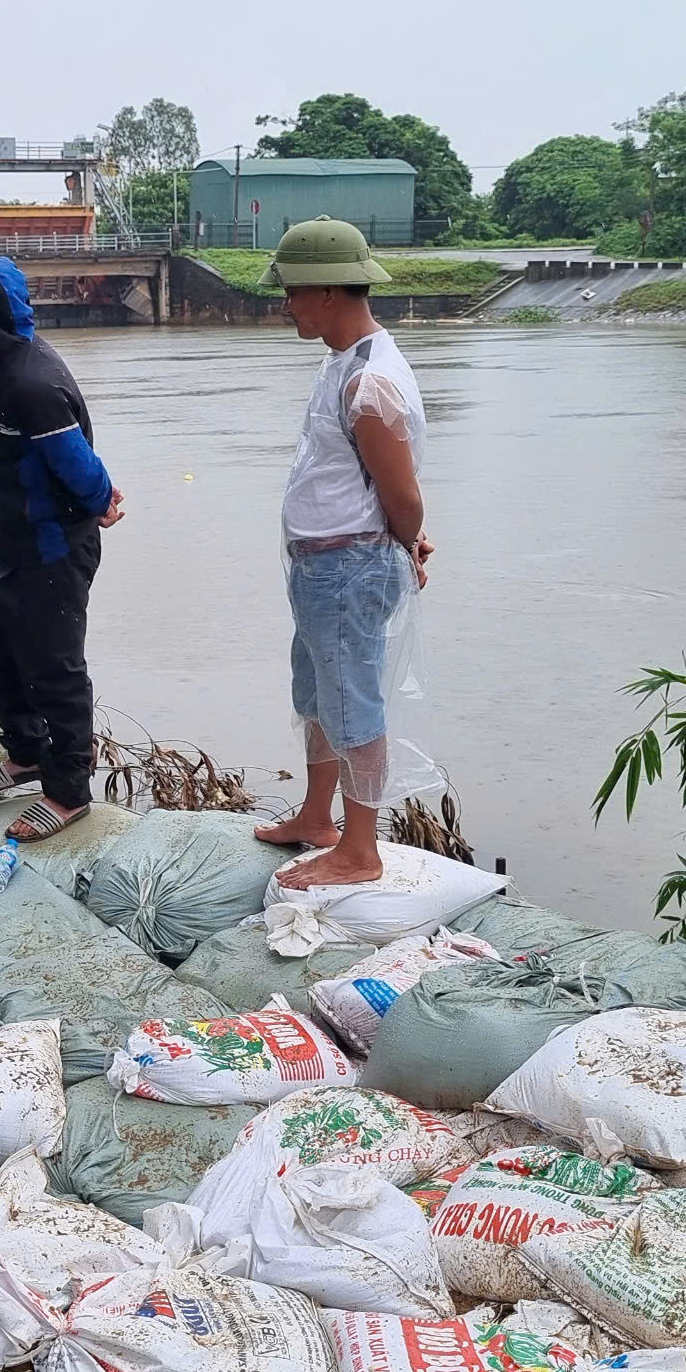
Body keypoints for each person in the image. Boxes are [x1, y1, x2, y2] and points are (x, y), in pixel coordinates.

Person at [250, 218, 440, 889]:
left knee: (352, 701)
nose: (285, 306)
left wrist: (406, 541)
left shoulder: (370, 385)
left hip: (347, 568)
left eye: (292, 293)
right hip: (323, 566)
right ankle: (315, 817)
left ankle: (359, 851)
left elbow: (404, 496)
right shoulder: (344, 364)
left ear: (328, 290)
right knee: (319, 694)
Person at [0, 255, 124, 843]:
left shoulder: (31, 382)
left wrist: (100, 500)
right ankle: (26, 752)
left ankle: (68, 790)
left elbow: (75, 462)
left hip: (52, 545)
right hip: (13, 536)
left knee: (55, 667)